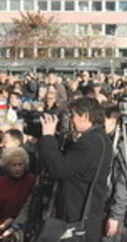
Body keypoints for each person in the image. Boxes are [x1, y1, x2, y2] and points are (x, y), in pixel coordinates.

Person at [38, 97, 113, 242]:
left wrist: (47, 137)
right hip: (87, 213)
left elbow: (58, 168)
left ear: (84, 116)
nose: (71, 120)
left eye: (73, 115)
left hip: (77, 216)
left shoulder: (89, 143)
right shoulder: (102, 139)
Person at [0, 147, 35, 225]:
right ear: (7, 166)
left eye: (20, 164)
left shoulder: (31, 180)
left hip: (23, 224)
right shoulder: (2, 182)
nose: (18, 168)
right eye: (14, 165)